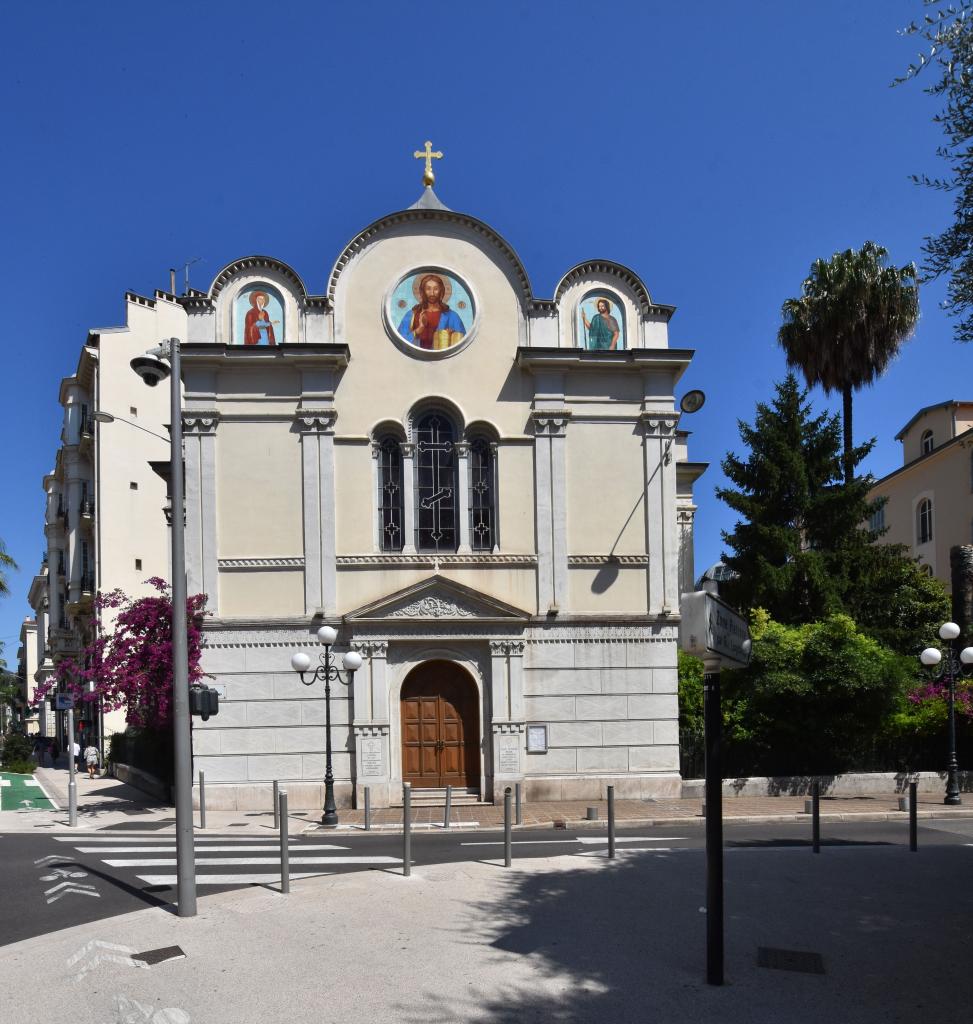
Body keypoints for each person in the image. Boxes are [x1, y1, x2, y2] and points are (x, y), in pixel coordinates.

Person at [397, 273, 466, 350]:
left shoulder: (452, 316)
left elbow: (463, 343)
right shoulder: (412, 315)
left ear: (441, 291)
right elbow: (399, 341)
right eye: (428, 289)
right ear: (422, 291)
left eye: (436, 289)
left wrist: (451, 336)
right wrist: (418, 330)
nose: (432, 293)